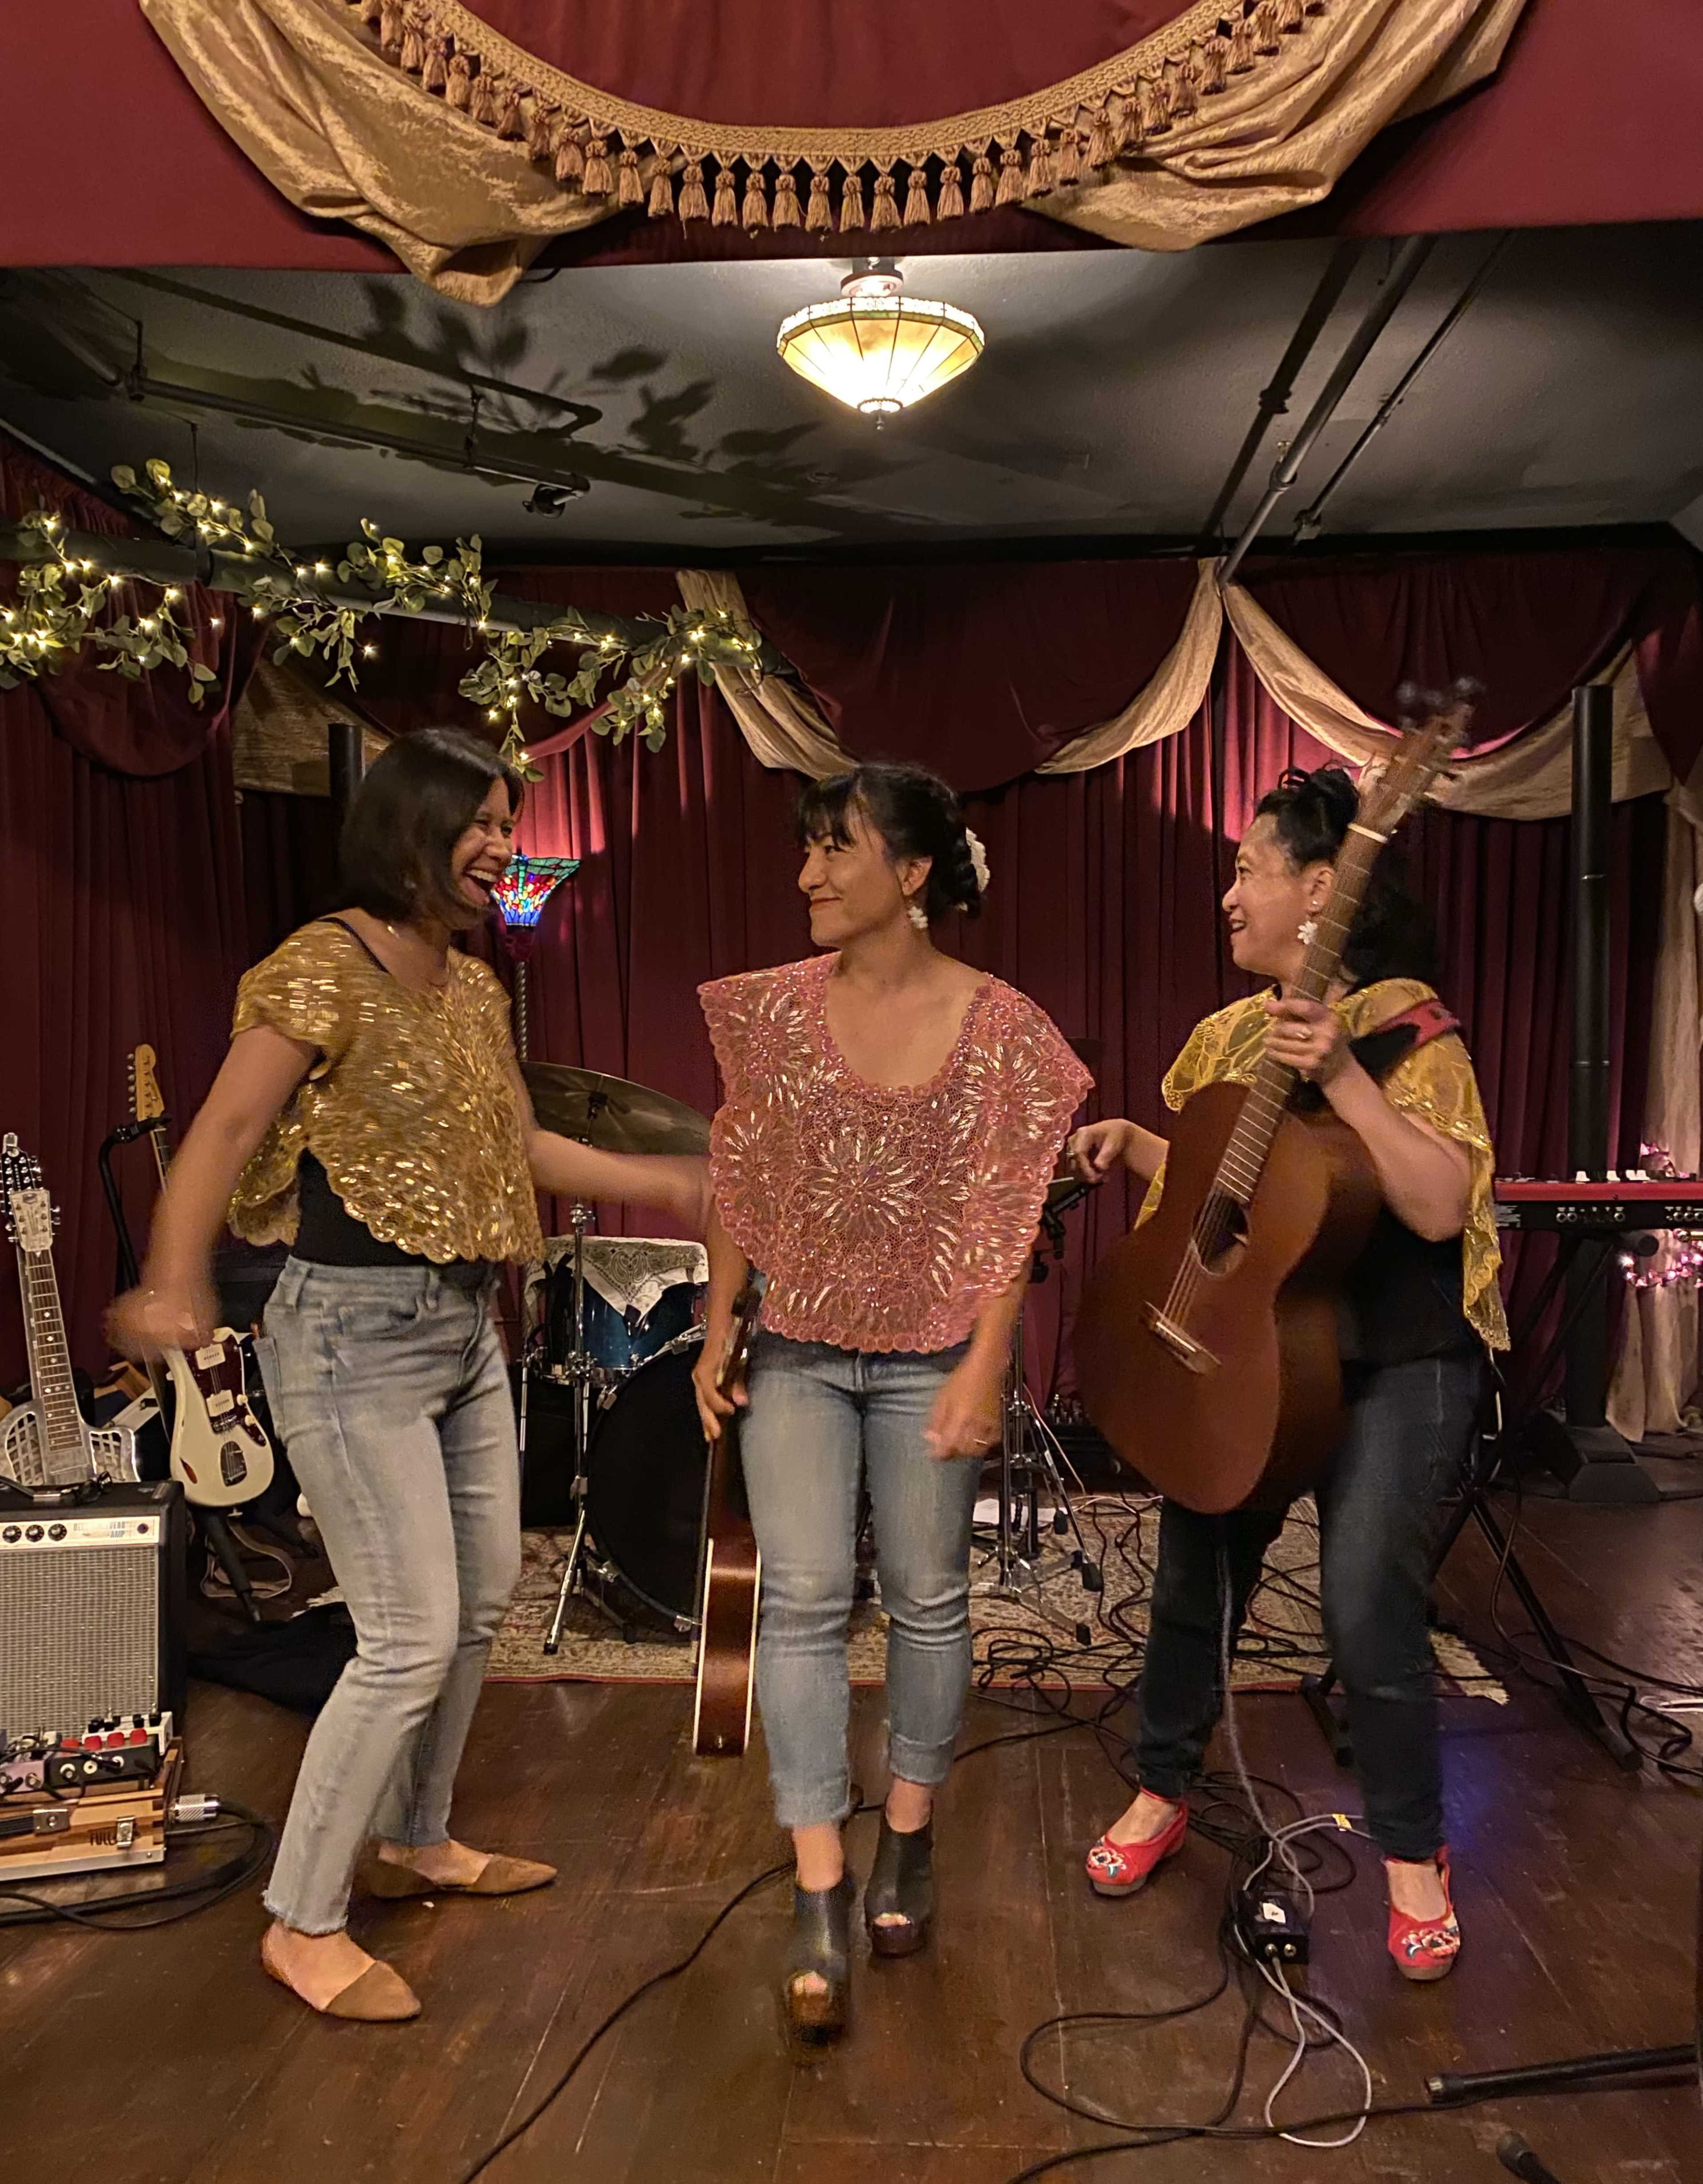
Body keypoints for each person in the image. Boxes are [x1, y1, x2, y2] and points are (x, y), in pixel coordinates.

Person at [111, 727, 707, 2023]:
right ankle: (301, 1917)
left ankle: (413, 1837)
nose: (503, 844)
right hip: (346, 1342)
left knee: (484, 1593)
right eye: (484, 822)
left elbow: (527, 1149)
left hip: (458, 1330)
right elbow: (223, 1126)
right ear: (411, 828)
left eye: (507, 820)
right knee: (403, 1635)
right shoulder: (320, 967)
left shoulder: (473, 988)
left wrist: (673, 1180)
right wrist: (176, 1281)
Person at [1069, 765, 1506, 1984]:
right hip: (1262, 1353)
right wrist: (1143, 1143)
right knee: (1190, 1576)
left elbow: (1436, 1201)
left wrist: (1347, 1079)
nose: (1229, 895)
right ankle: (1163, 1788)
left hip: (1395, 1365)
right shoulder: (1228, 1037)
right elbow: (1256, 1195)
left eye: (1249, 869)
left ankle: (1416, 1856)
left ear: (1325, 888)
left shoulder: (1411, 1025)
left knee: (1365, 1604)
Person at [692, 761, 1090, 2047]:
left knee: (928, 1599)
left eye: (836, 849)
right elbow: (744, 1177)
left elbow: (1008, 1220)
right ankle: (820, 1888)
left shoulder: (1004, 1030)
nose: (808, 873)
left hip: (933, 1351)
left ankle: (907, 1842)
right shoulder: (771, 1014)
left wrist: (987, 1361)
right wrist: (718, 1322)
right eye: (806, 849)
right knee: (801, 1604)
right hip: (796, 1348)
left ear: (912, 875)